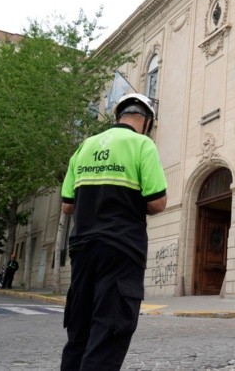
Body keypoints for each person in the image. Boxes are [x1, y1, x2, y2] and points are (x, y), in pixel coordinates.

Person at [60, 93, 168, 370]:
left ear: (118, 116)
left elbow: (67, 206)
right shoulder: (142, 144)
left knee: (79, 330)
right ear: (147, 121)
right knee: (110, 330)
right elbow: (158, 202)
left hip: (83, 250)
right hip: (122, 248)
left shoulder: (85, 146)